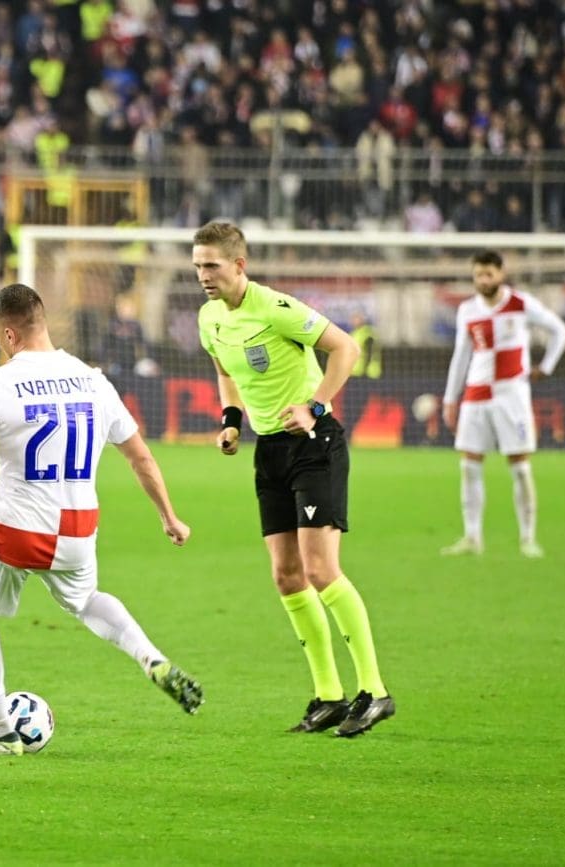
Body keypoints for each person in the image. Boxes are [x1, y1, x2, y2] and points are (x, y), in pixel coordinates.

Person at [0, 283, 203, 756]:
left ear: (9, 335)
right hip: (78, 529)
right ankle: (150, 657)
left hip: (18, 529)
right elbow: (141, 457)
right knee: (86, 599)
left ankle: (1, 733)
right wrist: (169, 516)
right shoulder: (93, 380)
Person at [193, 220, 393, 737]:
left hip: (315, 445)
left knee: (321, 569)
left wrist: (315, 405)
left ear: (239, 265)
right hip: (270, 451)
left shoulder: (275, 307)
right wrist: (231, 421)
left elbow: (345, 348)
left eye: (212, 265)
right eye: (197, 266)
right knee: (286, 575)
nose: (203, 275)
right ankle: (328, 696)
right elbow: (225, 372)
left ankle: (375, 691)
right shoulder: (209, 318)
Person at [441, 249, 565, 558]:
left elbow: (559, 331)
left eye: (488, 274)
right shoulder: (467, 310)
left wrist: (546, 367)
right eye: (478, 275)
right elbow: (461, 356)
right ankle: (472, 537)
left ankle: (528, 539)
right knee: (469, 466)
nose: (483, 280)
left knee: (521, 468)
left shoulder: (521, 303)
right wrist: (450, 398)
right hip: (475, 395)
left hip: (511, 396)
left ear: (501, 274)